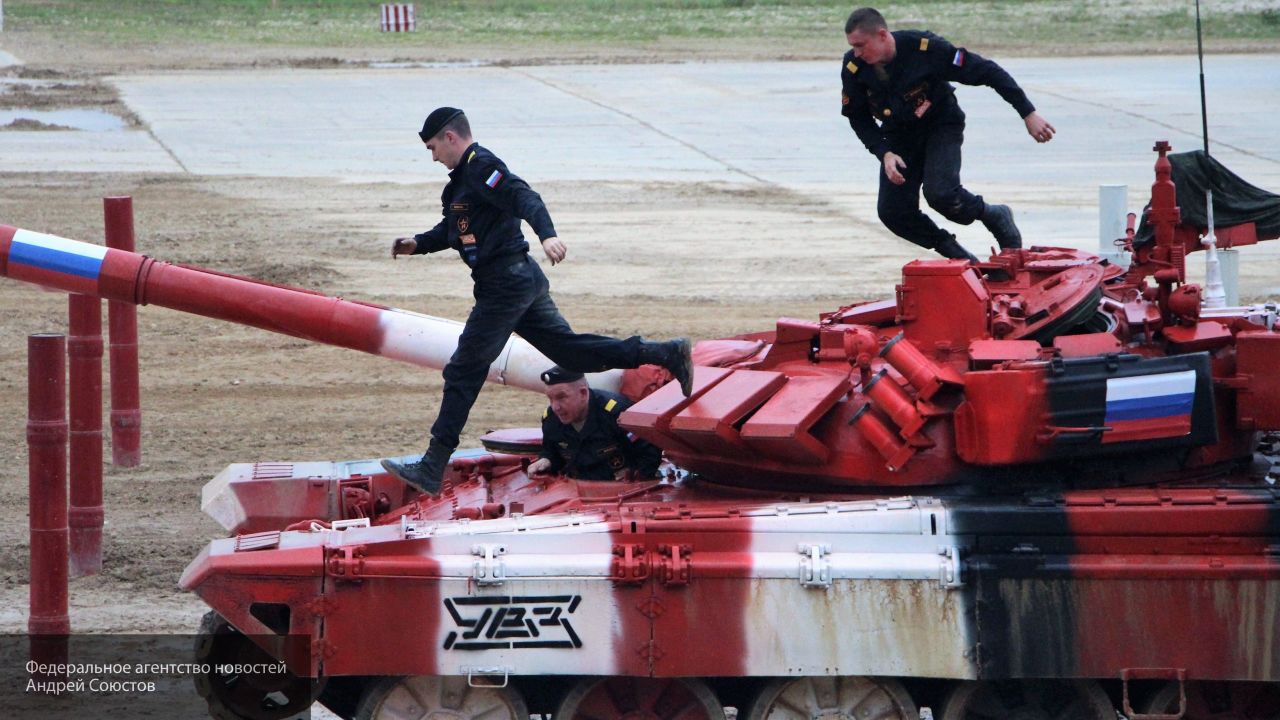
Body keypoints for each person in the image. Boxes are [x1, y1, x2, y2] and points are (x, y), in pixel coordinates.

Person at [381, 107, 692, 494]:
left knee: (463, 370)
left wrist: (547, 235)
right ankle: (664, 352)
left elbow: (524, 196)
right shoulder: (461, 182)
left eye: (432, 148)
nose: (433, 157)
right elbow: (454, 228)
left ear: (450, 137)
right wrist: (418, 244)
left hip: (505, 284)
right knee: (572, 354)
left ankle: (432, 465)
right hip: (515, 281)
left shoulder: (482, 166)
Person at [840, 7, 1056, 262]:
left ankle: (993, 215)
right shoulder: (854, 67)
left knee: (941, 195)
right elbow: (858, 116)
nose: (857, 53)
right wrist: (884, 153)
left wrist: (1028, 113)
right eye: (853, 47)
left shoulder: (925, 49)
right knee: (893, 213)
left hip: (940, 125)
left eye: (861, 45)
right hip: (899, 136)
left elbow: (988, 71)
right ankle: (958, 256)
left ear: (882, 35)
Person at [527, 366, 664, 481]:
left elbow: (649, 451)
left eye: (561, 397)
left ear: (583, 393)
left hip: (621, 491)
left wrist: (636, 481)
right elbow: (551, 451)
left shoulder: (617, 414)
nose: (555, 407)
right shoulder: (551, 420)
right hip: (577, 491)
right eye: (550, 399)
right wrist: (546, 460)